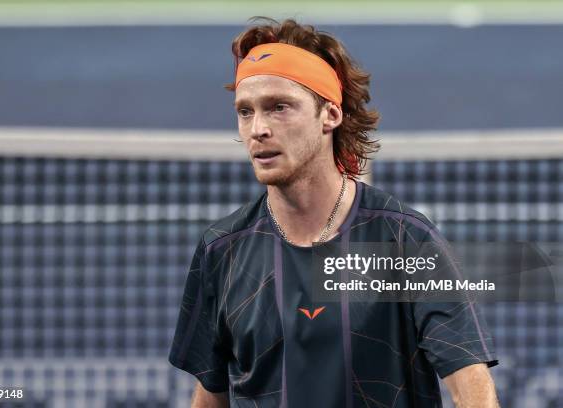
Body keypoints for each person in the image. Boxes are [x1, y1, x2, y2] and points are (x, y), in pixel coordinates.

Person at [169, 18, 499, 407]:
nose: (257, 128)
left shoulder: (407, 240)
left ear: (330, 115)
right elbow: (210, 397)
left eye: (279, 107)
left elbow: (473, 388)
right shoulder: (221, 250)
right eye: (245, 112)